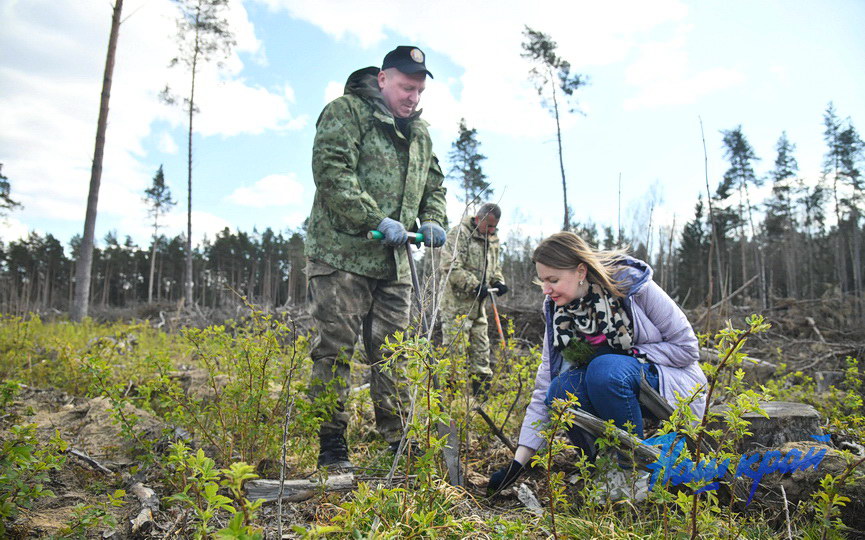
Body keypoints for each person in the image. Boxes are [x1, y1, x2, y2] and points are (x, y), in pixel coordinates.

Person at [305, 46, 448, 469]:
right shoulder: (346, 112)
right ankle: (332, 446)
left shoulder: (420, 134)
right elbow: (332, 172)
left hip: (395, 264)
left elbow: (434, 186)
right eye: (406, 88)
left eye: (419, 91)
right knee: (334, 352)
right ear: (383, 79)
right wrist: (375, 218)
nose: (413, 98)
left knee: (393, 353)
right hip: (342, 256)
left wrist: (433, 219)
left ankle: (398, 443)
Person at [487, 232, 707, 494]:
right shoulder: (559, 310)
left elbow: (686, 348)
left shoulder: (633, 287)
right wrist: (517, 464)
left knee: (605, 369)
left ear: (581, 271)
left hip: (665, 381)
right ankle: (601, 465)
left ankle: (632, 471)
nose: (546, 289)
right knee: (560, 391)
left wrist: (627, 355)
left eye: (553, 280)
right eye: (542, 281)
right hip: (610, 384)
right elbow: (545, 382)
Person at [439, 203, 508, 395]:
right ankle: (451, 401)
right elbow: (450, 267)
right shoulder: (459, 234)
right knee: (455, 356)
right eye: (489, 225)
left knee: (481, 353)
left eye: (495, 226)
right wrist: (475, 285)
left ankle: (480, 401)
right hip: (455, 308)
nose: (492, 230)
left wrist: (498, 281)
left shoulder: (492, 239)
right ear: (478, 219)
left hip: (479, 309)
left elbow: (495, 267)